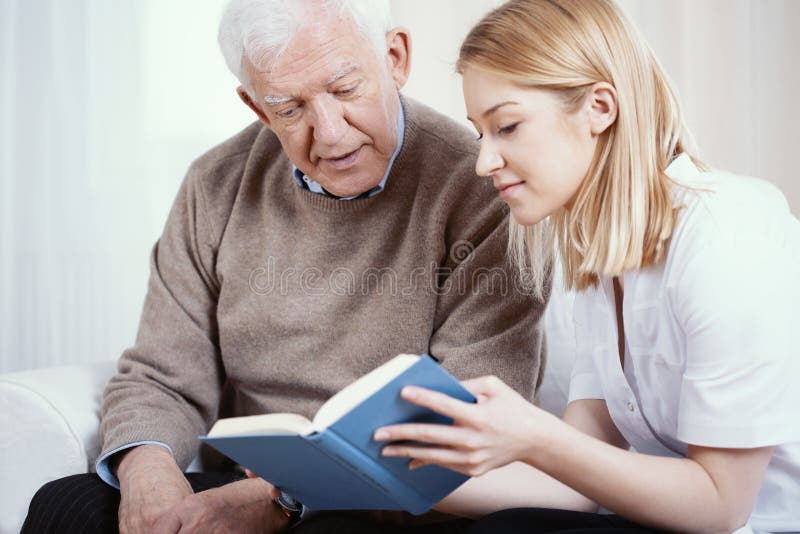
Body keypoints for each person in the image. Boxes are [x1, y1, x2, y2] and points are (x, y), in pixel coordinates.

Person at [22, 1, 547, 532]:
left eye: (345, 90)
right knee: (64, 506)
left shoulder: (484, 187)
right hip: (243, 483)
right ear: (257, 108)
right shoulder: (215, 184)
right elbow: (162, 375)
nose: (331, 133)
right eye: (289, 108)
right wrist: (149, 475)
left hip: (394, 494)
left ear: (394, 57)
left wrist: (285, 499)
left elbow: (468, 421)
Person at [373, 1, 800, 533]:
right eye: (481, 133)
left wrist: (536, 434)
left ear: (600, 107)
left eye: (507, 126)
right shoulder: (602, 265)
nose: (484, 162)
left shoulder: (728, 236)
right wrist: (388, 475)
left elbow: (721, 507)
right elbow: (572, 486)